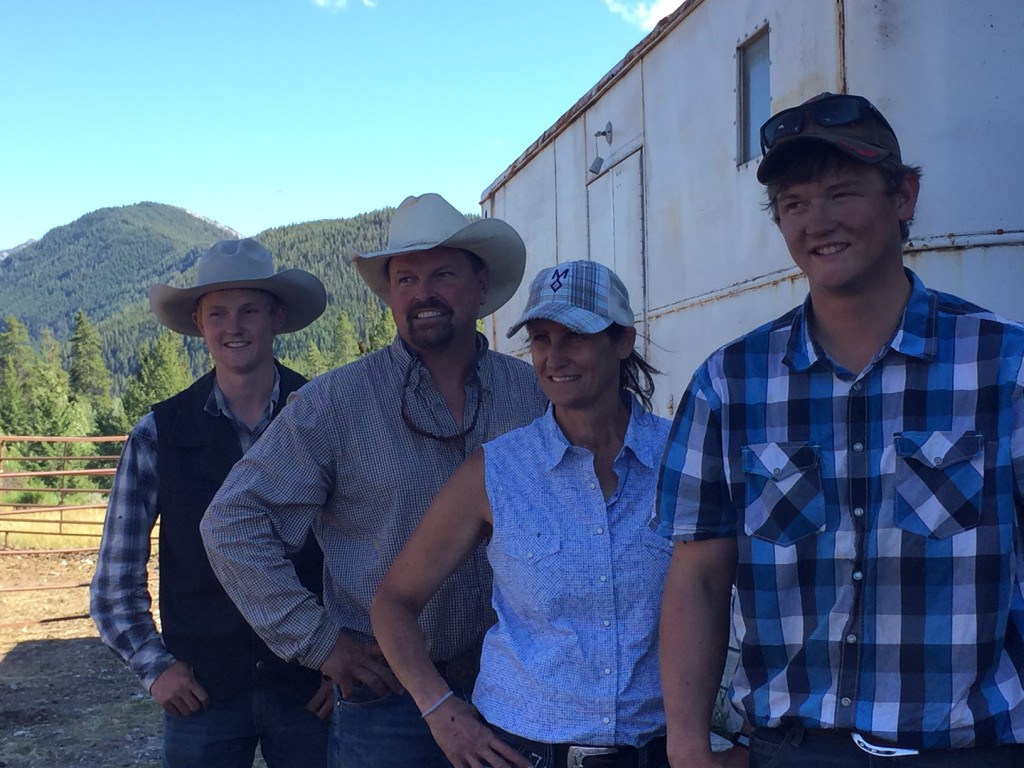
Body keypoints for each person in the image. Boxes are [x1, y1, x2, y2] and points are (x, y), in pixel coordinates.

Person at [654, 91, 1024, 768]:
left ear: (904, 196)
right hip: (791, 751)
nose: (816, 221)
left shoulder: (1006, 367)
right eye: (792, 204)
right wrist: (686, 743)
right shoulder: (728, 385)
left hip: (970, 750)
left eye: (841, 192)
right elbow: (699, 579)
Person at [200, 193, 548, 768]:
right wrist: (319, 642)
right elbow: (232, 521)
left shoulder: (530, 394)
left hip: (511, 690)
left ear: (480, 283)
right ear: (390, 294)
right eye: (405, 278)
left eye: (442, 274)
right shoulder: (337, 402)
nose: (422, 292)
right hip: (386, 704)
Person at [371, 260, 673, 768]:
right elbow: (393, 601)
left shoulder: (683, 458)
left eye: (574, 336)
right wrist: (442, 712)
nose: (554, 357)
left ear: (622, 341)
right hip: (521, 752)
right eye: (540, 338)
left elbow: (745, 593)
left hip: (660, 751)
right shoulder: (497, 471)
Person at [90, 238, 333, 767]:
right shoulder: (157, 434)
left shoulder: (324, 420)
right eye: (218, 313)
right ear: (199, 323)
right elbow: (114, 582)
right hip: (201, 692)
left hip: (311, 689)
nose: (234, 327)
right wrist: (155, 667)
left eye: (249, 310)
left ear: (278, 317)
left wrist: (345, 659)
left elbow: (368, 551)